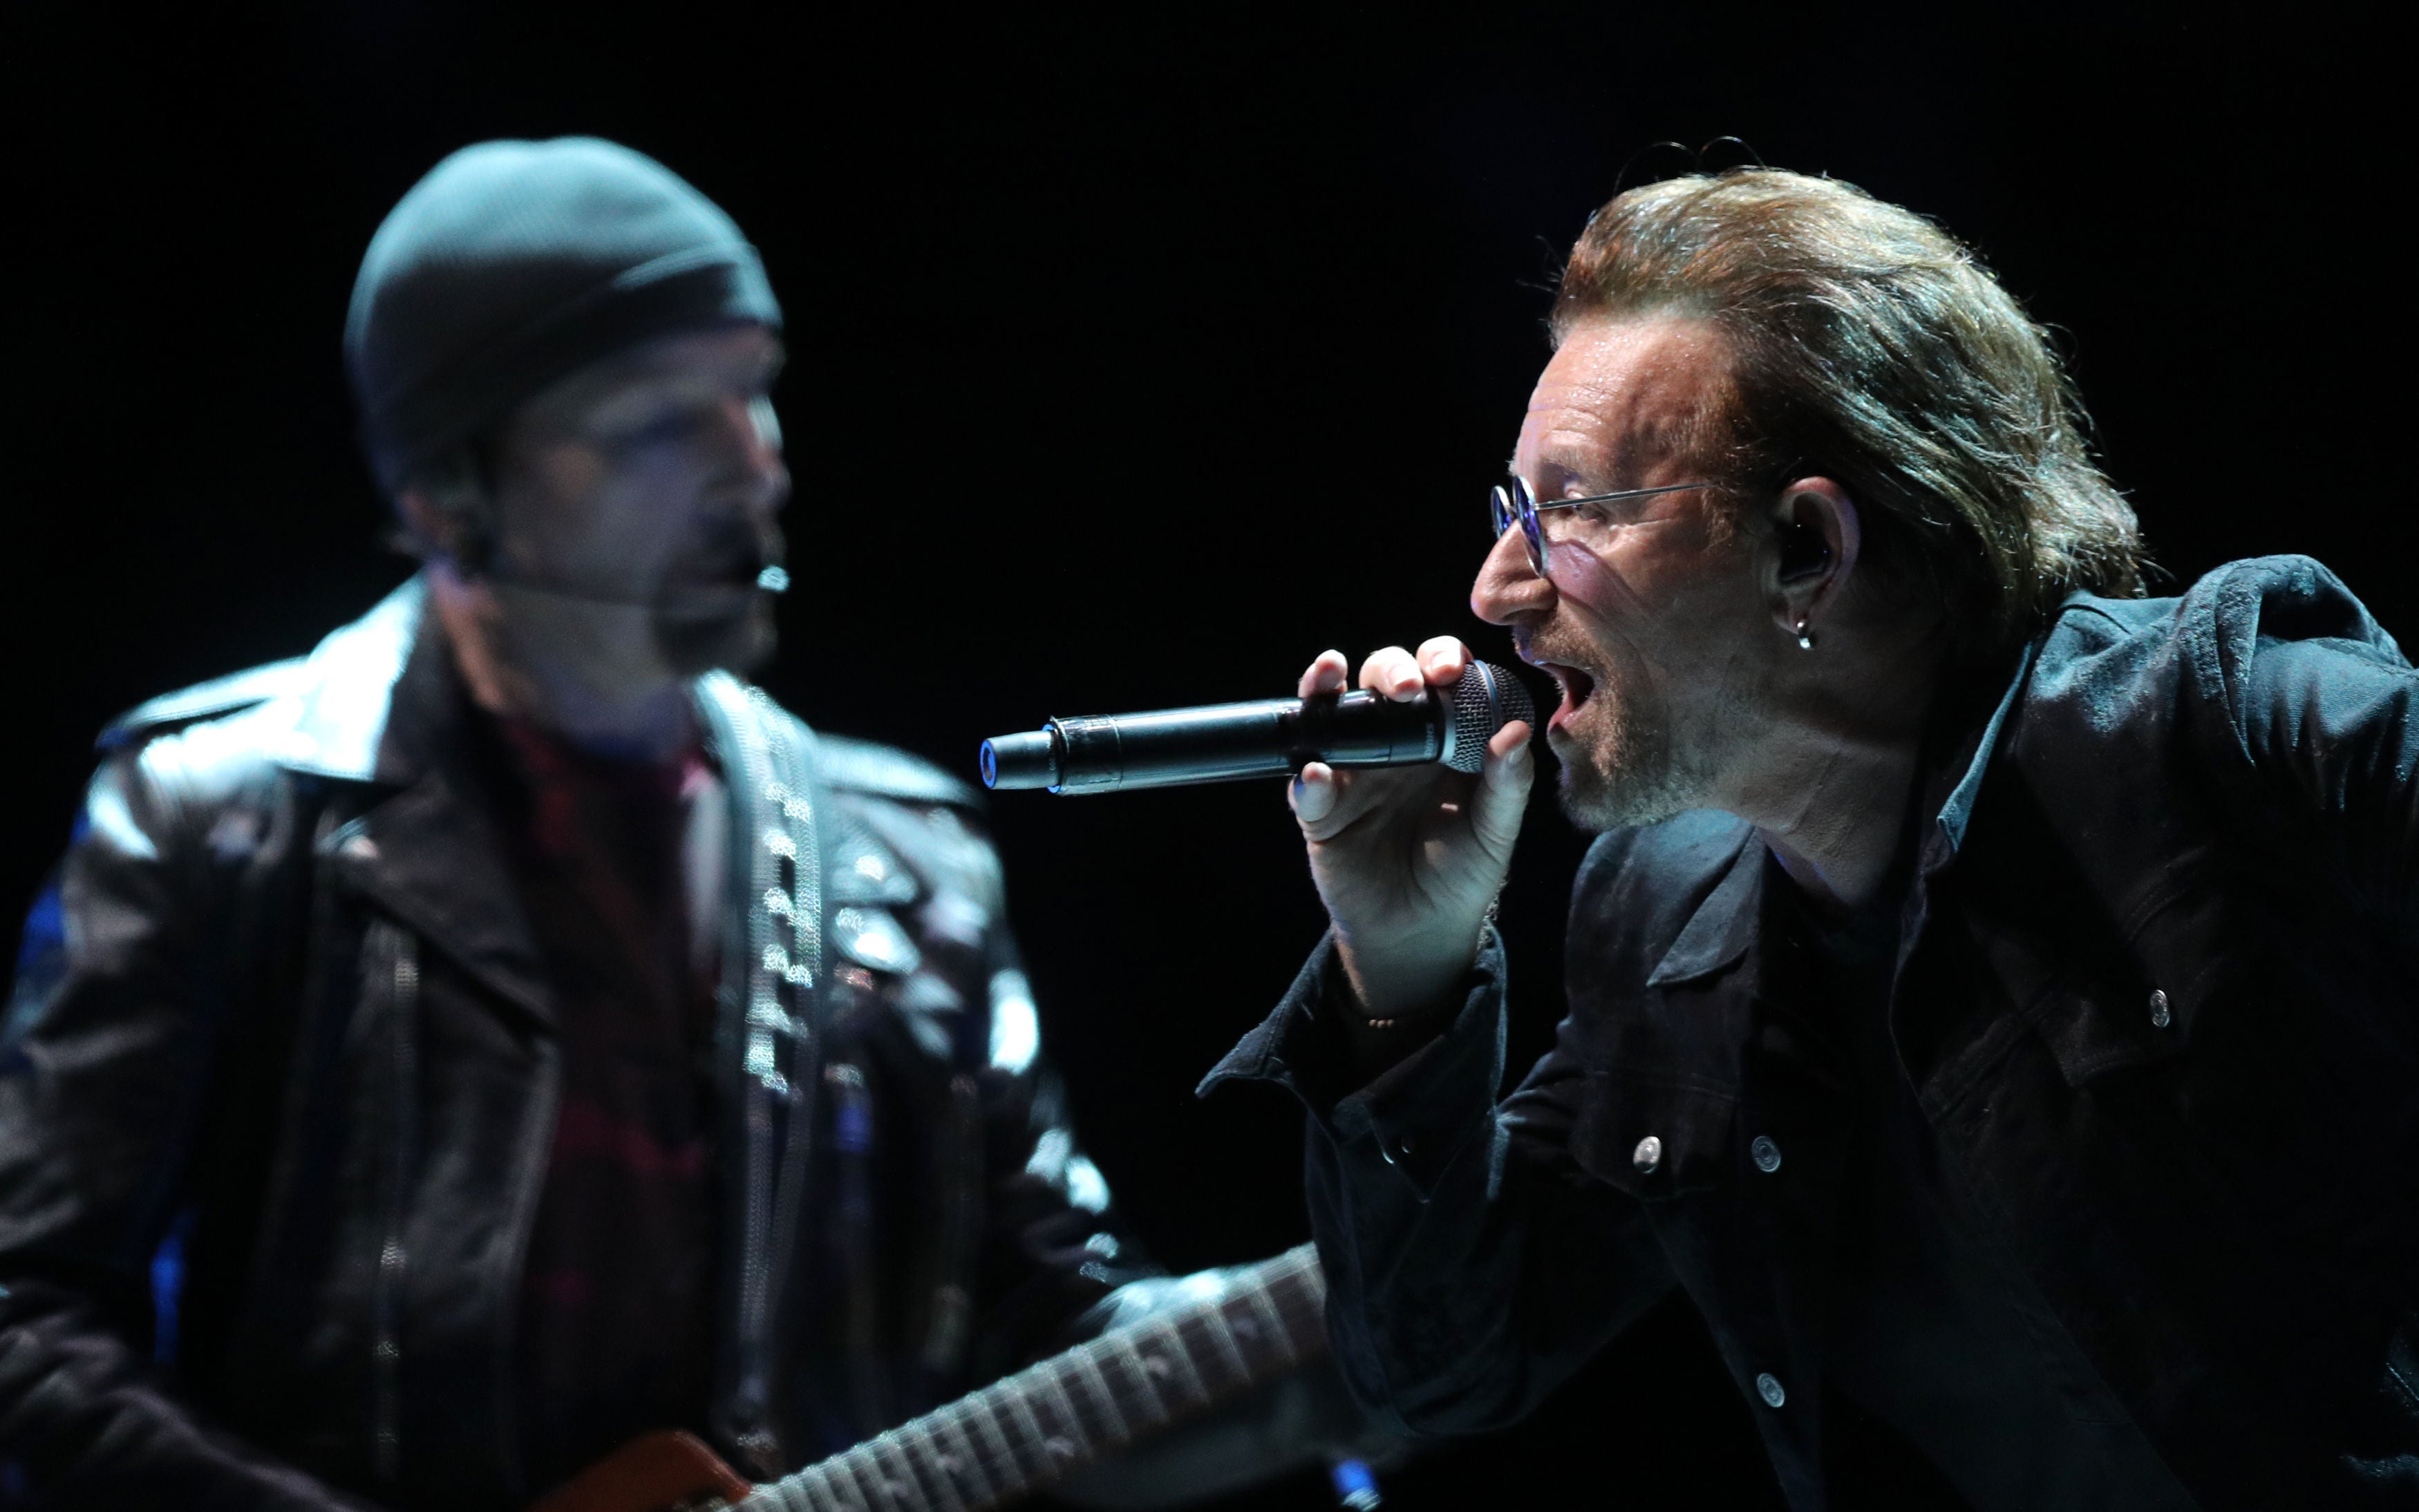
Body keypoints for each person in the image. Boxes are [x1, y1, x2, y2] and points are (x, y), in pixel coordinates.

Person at [0, 138, 1366, 1510]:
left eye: (753, 392)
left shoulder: (899, 861)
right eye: (658, 419)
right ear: (449, 494)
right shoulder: (222, 814)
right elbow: (27, 1328)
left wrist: (1406, 1296)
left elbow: (1050, 1341)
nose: (753, 464)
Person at [1204, 167, 2419, 1511]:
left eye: (1573, 511)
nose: (1498, 588)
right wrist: (1404, 962)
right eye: (1509, 511)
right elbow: (1446, 1369)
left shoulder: (2229, 731)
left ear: (1805, 549)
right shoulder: (1667, 917)